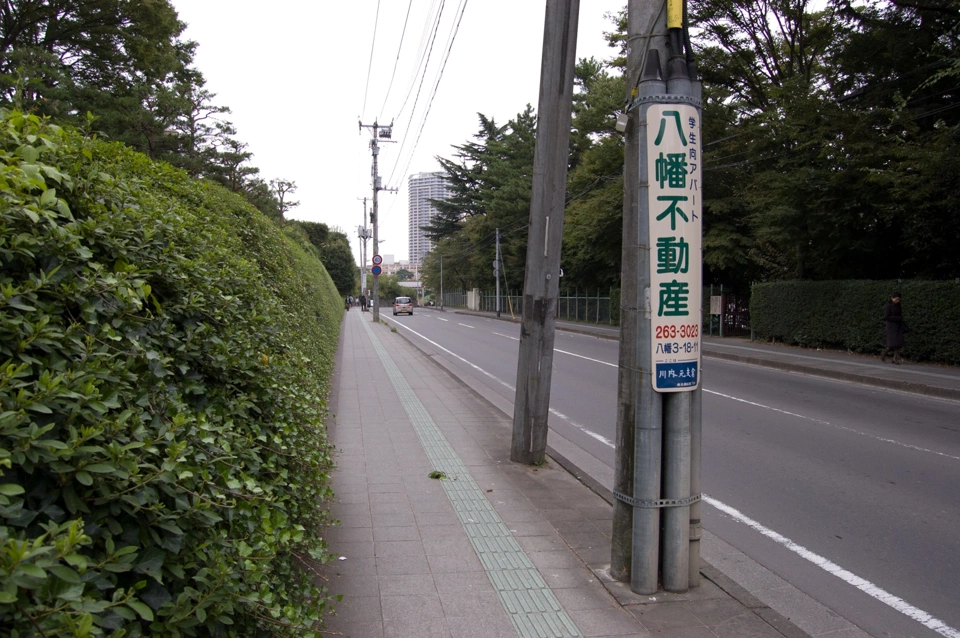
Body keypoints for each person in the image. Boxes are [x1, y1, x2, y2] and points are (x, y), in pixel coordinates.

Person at [881, 292, 905, 365]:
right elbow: (886, 316)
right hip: (891, 326)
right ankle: (884, 353)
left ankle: (894, 359)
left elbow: (900, 314)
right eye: (896, 299)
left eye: (898, 299)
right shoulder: (889, 306)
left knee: (898, 344)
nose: (897, 301)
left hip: (898, 325)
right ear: (892, 298)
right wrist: (896, 318)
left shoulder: (898, 305)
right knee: (891, 344)